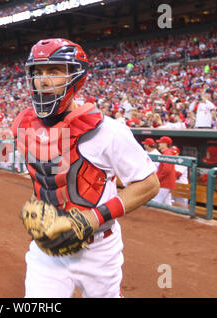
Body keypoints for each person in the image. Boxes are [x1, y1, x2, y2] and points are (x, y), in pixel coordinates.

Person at [12, 38, 160, 298]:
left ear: (76, 77)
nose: (43, 80)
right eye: (38, 71)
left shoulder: (109, 131)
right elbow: (47, 181)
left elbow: (148, 185)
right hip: (48, 249)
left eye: (54, 71)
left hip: (98, 251)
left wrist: (92, 218)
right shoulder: (24, 126)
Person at [152, 136, 176, 206]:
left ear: (165, 144)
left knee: (156, 203)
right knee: (167, 205)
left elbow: (167, 169)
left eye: (160, 143)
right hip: (166, 183)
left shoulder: (167, 153)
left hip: (164, 183)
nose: (158, 144)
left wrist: (158, 179)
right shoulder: (166, 152)